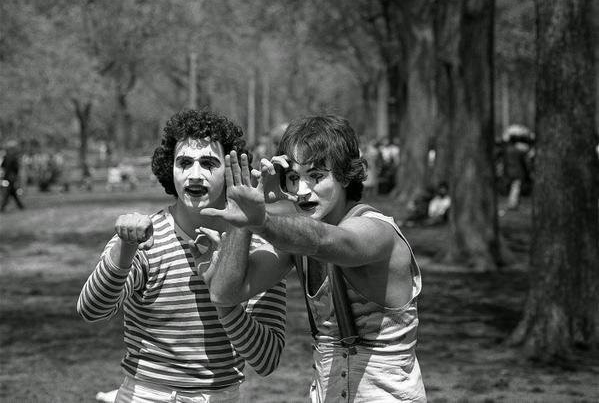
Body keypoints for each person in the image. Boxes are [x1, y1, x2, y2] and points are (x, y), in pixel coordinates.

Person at [200, 115, 426, 402]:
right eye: (294, 178)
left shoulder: (378, 232)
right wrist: (243, 218)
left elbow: (325, 241)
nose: (303, 190)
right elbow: (224, 293)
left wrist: (261, 221)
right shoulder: (295, 241)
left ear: (345, 175)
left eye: (316, 176)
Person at [77, 109, 287, 402]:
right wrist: (124, 250)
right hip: (145, 394)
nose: (195, 174)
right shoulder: (143, 239)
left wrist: (224, 293)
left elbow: (266, 360)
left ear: (230, 171)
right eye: (184, 162)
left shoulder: (256, 249)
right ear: (170, 169)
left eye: (209, 163)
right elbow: (91, 310)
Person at [1, 140, 25, 212]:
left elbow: (3, 167)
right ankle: (19, 206)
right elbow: (16, 169)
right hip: (11, 177)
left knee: (10, 192)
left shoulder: (6, 157)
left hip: (7, 177)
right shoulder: (13, 158)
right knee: (10, 192)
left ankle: (3, 207)